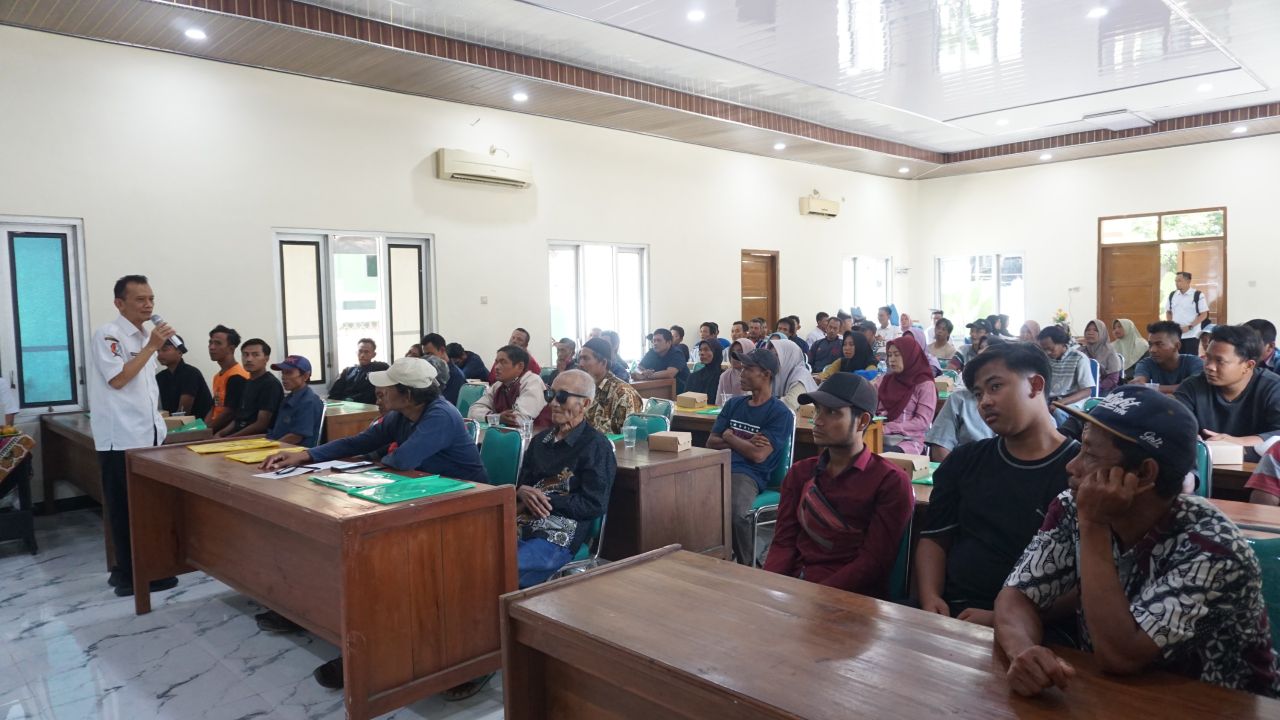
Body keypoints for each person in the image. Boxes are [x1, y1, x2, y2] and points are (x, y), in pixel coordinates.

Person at [995, 386, 1280, 699]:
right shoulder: (1071, 507)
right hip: (1115, 697)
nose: (1072, 466)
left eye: (1090, 454)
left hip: (1218, 707)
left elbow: (1120, 655)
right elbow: (1017, 596)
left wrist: (1094, 526)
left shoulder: (1213, 548)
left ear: (1144, 474)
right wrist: (1025, 652)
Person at [259, 356, 486, 689]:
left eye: (388, 387)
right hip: (420, 499)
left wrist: (371, 463)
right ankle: (312, 615)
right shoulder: (403, 413)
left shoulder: (440, 415)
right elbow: (358, 442)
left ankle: (378, 653)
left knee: (375, 561)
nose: (379, 391)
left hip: (464, 510)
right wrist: (305, 455)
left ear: (407, 395)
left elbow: (401, 459)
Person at [917, 342, 1080, 625]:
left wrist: (1004, 618)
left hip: (1042, 627)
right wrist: (930, 597)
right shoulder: (965, 460)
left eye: (995, 387)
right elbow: (934, 538)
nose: (984, 402)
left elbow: (1090, 579)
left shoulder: (1079, 469)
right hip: (952, 615)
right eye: (978, 394)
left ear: (1035, 385)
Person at [763, 373, 913, 597]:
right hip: (795, 589)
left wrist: (815, 596)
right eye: (817, 410)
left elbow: (873, 563)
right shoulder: (801, 473)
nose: (818, 420)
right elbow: (783, 542)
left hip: (850, 599)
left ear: (862, 421)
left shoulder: (889, 482)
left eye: (832, 412)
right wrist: (767, 587)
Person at [88, 275, 179, 597]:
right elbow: (118, 380)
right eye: (140, 299)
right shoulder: (108, 335)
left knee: (145, 506)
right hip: (121, 437)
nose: (148, 305)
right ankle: (128, 576)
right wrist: (152, 345)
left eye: (151, 298)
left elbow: (144, 384)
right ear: (119, 303)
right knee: (124, 507)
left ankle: (146, 567)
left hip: (147, 434)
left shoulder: (144, 335)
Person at [513, 369, 615, 587]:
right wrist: (521, 491)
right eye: (551, 395)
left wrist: (545, 500)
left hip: (559, 532)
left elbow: (594, 503)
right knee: (477, 554)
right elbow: (522, 483)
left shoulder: (596, 446)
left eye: (562, 397)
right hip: (521, 519)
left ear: (585, 404)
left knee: (503, 567)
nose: (554, 403)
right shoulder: (540, 441)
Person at [708, 348, 794, 565]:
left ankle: (748, 567)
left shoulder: (779, 413)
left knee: (736, 512)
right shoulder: (733, 404)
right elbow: (711, 442)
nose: (741, 374)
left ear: (766, 374)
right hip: (719, 465)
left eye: (748, 369)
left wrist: (730, 435)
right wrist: (743, 441)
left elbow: (757, 455)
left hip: (748, 473)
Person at [1175, 324, 1280, 460]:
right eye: (1208, 358)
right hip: (1206, 465)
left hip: (1258, 471)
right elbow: (1174, 421)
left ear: (1248, 366)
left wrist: (1238, 442)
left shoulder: (1273, 387)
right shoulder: (1192, 386)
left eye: (1220, 361)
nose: (1209, 366)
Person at [925, 336, 1002, 462]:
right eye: (980, 349)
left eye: (985, 349)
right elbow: (940, 447)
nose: (980, 353)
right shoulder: (959, 399)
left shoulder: (1014, 403)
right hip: (963, 471)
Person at [875, 335, 938, 454]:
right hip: (879, 435)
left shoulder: (924, 384)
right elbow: (871, 408)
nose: (891, 360)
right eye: (889, 355)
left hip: (909, 441)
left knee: (879, 457)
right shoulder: (884, 381)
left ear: (910, 356)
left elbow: (922, 422)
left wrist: (890, 428)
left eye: (897, 355)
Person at [469, 345, 550, 428]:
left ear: (520, 366)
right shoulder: (498, 385)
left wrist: (494, 417)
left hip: (534, 436)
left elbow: (519, 420)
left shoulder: (532, 382)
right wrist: (497, 417)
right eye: (496, 362)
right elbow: (472, 411)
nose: (496, 367)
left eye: (503, 362)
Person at [218, 338, 284, 438]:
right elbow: (238, 418)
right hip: (239, 436)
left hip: (259, 439)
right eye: (245, 354)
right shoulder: (248, 382)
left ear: (266, 358)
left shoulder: (270, 384)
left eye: (255, 355)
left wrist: (231, 438)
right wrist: (220, 434)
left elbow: (261, 424)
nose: (249, 359)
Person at [577, 337, 642, 435]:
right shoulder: (582, 389)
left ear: (603, 363)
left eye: (586, 358)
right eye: (580, 358)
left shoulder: (624, 394)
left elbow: (627, 437)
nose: (580, 364)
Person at [265, 355, 324, 448]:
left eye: (289, 373)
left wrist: (269, 448)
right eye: (283, 373)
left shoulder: (308, 401)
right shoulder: (289, 398)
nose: (283, 377)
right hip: (280, 446)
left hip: (295, 453)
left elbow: (296, 437)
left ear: (305, 376)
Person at [1132, 321, 1203, 393]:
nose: (1152, 350)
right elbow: (1137, 385)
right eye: (1150, 344)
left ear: (1177, 346)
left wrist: (1150, 387)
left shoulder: (1194, 362)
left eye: (1159, 344)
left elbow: (1195, 386)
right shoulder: (1146, 363)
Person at [205, 324, 249, 433]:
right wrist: (203, 428)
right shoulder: (218, 376)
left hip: (227, 432)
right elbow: (214, 407)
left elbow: (230, 413)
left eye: (218, 343)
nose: (212, 347)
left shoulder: (237, 376)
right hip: (214, 428)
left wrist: (207, 431)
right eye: (210, 342)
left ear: (231, 348)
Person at [1037, 325, 1095, 407]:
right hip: (1051, 400)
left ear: (1062, 343)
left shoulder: (1079, 358)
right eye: (1044, 349)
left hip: (1073, 401)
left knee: (1058, 412)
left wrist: (1061, 403)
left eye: (1051, 349)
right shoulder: (1045, 359)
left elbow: (1086, 391)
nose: (1047, 353)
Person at [155, 342, 213, 420]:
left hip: (197, 425)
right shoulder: (160, 377)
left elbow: (183, 411)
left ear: (179, 351)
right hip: (171, 424)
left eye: (164, 350)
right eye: (158, 351)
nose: (160, 354)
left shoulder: (191, 373)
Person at [327, 338, 389, 405]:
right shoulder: (347, 371)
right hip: (345, 407)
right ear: (357, 352)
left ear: (374, 355)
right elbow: (334, 394)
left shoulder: (379, 368)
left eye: (366, 352)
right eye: (360, 351)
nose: (362, 355)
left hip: (368, 408)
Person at [631, 328, 690, 393]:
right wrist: (642, 372)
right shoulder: (652, 352)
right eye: (654, 340)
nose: (655, 343)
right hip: (660, 388)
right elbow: (638, 368)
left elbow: (670, 373)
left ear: (669, 342)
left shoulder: (677, 353)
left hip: (682, 392)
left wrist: (646, 376)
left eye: (659, 340)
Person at [1167, 271, 1211, 356]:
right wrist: (1171, 325)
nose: (1176, 283)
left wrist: (1190, 327)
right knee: (1176, 358)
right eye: (1175, 281)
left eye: (1179, 280)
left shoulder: (1197, 295)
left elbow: (1203, 314)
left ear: (1188, 281)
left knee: (1190, 359)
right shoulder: (1172, 295)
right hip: (1176, 334)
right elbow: (1169, 312)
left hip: (1192, 334)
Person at [768, 338, 818, 410]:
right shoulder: (774, 372)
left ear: (789, 357)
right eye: (771, 355)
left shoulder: (801, 376)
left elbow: (790, 404)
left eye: (777, 355)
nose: (772, 359)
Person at [421, 333, 465, 404]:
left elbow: (446, 403)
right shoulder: (431, 372)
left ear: (442, 350)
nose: (426, 359)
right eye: (425, 355)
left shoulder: (455, 376)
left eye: (430, 354)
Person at [1080, 319, 1122, 393]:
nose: (1090, 333)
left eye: (1095, 330)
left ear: (1102, 333)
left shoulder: (1110, 352)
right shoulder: (1080, 351)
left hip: (1104, 390)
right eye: (1088, 330)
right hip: (1081, 391)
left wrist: (1095, 388)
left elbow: (1113, 379)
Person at [716, 338, 755, 403]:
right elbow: (719, 405)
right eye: (732, 352)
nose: (734, 356)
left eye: (740, 352)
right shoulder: (725, 376)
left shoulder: (756, 376)